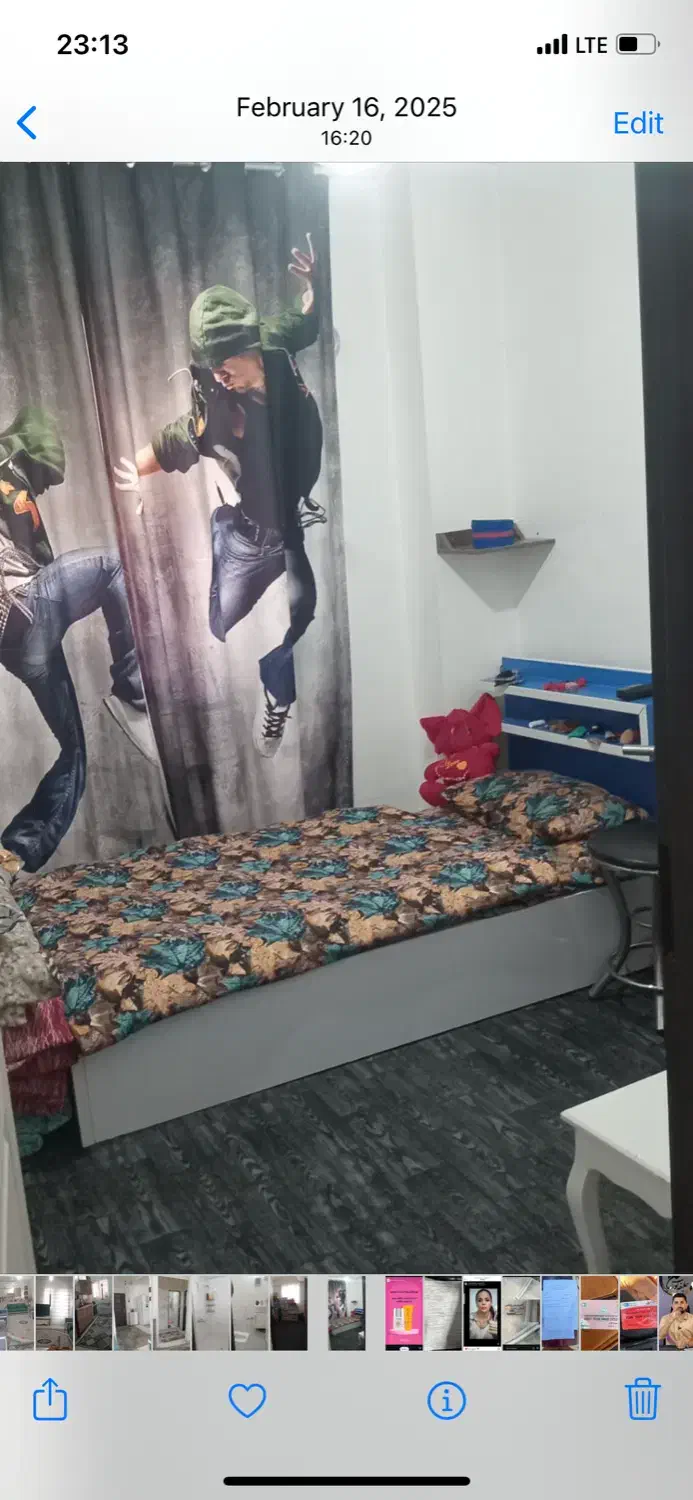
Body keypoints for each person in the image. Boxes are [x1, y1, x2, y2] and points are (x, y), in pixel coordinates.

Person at [114, 235, 325, 758]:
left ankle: (275, 690)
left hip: (289, 528)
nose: (217, 375)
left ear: (251, 347)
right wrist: (129, 472)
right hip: (248, 537)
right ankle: (222, 527)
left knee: (303, 614)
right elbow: (173, 441)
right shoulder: (215, 406)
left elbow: (305, 321)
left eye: (224, 363)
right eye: (208, 367)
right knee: (216, 626)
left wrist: (315, 287)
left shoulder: (276, 346)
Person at [0, 406, 157, 875]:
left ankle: (11, 855)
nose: (45, 489)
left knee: (75, 754)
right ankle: (133, 694)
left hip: (19, 649)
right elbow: (40, 555)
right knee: (117, 564)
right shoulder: (7, 473)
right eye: (45, 477)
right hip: (24, 607)